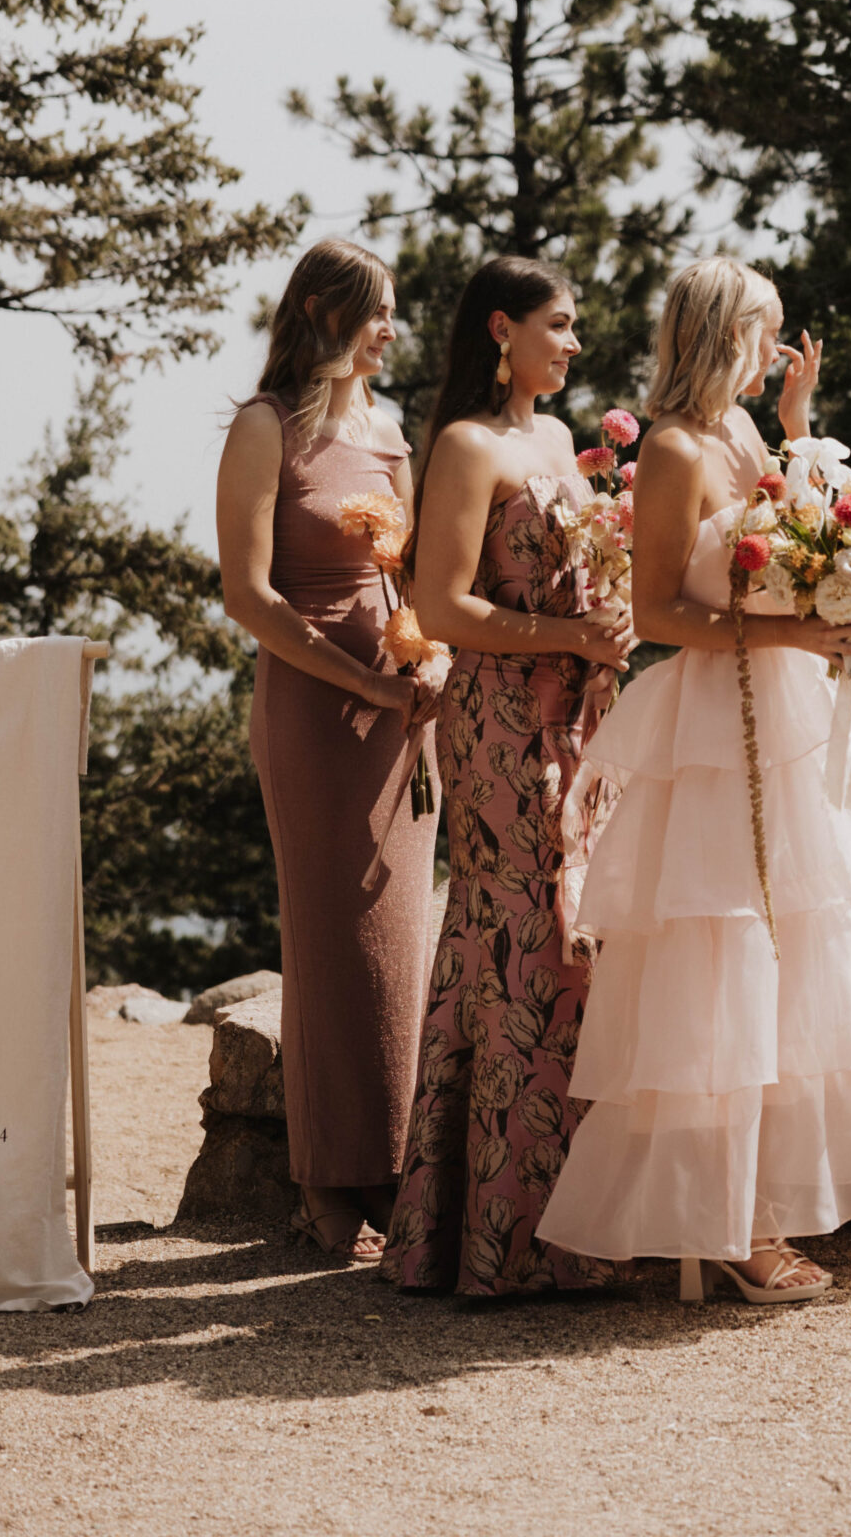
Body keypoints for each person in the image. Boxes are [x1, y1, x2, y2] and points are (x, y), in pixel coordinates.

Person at [538, 257, 851, 1303]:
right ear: (723, 332)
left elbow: (769, 534)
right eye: (767, 335)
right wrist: (795, 626)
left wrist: (796, 418)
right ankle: (724, 1223)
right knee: (722, 949)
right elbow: (663, 611)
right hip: (719, 716)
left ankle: (758, 1200)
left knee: (794, 949)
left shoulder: (737, 433)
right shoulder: (678, 448)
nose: (777, 351)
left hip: (785, 705)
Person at [380, 256, 636, 1297]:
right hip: (497, 725)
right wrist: (565, 632)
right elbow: (441, 605)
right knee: (523, 940)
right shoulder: (467, 444)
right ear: (503, 329)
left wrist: (605, 628)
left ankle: (577, 1218)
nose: (574, 343)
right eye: (559, 326)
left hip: (579, 717)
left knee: (577, 939)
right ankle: (498, 1237)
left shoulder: (552, 446)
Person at [217, 238, 441, 1263]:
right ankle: (326, 1176)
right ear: (320, 309)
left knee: (398, 939)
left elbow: (408, 579)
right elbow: (247, 593)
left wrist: (425, 663)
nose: (390, 330)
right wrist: (356, 681)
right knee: (327, 936)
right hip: (313, 716)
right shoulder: (266, 428)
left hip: (399, 711)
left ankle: (392, 1169)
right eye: (376, 311)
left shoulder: (387, 432)